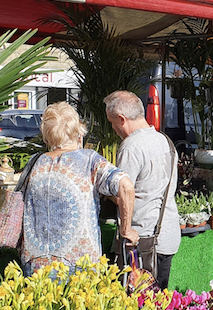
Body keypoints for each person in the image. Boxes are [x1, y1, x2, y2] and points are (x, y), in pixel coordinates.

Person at [21, 101, 138, 276]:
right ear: (78, 130)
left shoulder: (35, 162)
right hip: (80, 264)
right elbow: (126, 186)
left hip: (37, 264)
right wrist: (126, 230)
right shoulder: (89, 160)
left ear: (46, 134)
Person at [104, 90, 180, 289]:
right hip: (167, 236)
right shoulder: (165, 141)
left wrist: (104, 192)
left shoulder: (131, 147)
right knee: (157, 306)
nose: (113, 128)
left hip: (141, 241)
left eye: (112, 122)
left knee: (134, 308)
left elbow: (123, 194)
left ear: (121, 119)